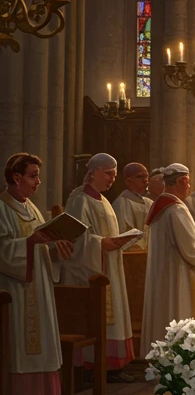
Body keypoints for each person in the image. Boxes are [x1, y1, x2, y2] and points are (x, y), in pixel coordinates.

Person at [0, 153, 73, 395]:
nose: (38, 182)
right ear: (16, 177)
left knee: (41, 339)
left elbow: (41, 240)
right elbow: (4, 250)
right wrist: (30, 242)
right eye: (33, 176)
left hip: (38, 285)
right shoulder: (2, 207)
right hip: (15, 289)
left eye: (38, 176)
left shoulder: (30, 207)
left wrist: (56, 243)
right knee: (21, 343)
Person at [61, 152, 135, 380]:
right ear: (93, 173)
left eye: (114, 174)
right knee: (96, 317)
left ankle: (111, 366)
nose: (112, 179)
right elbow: (74, 237)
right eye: (109, 174)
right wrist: (101, 243)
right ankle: (92, 365)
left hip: (109, 264)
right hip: (90, 269)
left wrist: (118, 240)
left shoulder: (103, 201)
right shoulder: (80, 199)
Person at [141, 164, 195, 353]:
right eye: (188, 182)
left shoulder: (161, 207)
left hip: (163, 276)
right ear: (181, 181)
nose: (189, 187)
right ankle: (181, 358)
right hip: (178, 276)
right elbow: (192, 250)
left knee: (164, 314)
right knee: (178, 312)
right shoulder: (176, 210)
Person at [112, 162, 152, 237]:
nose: (145, 180)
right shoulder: (121, 203)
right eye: (140, 176)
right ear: (128, 181)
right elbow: (124, 233)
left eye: (147, 177)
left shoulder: (150, 203)